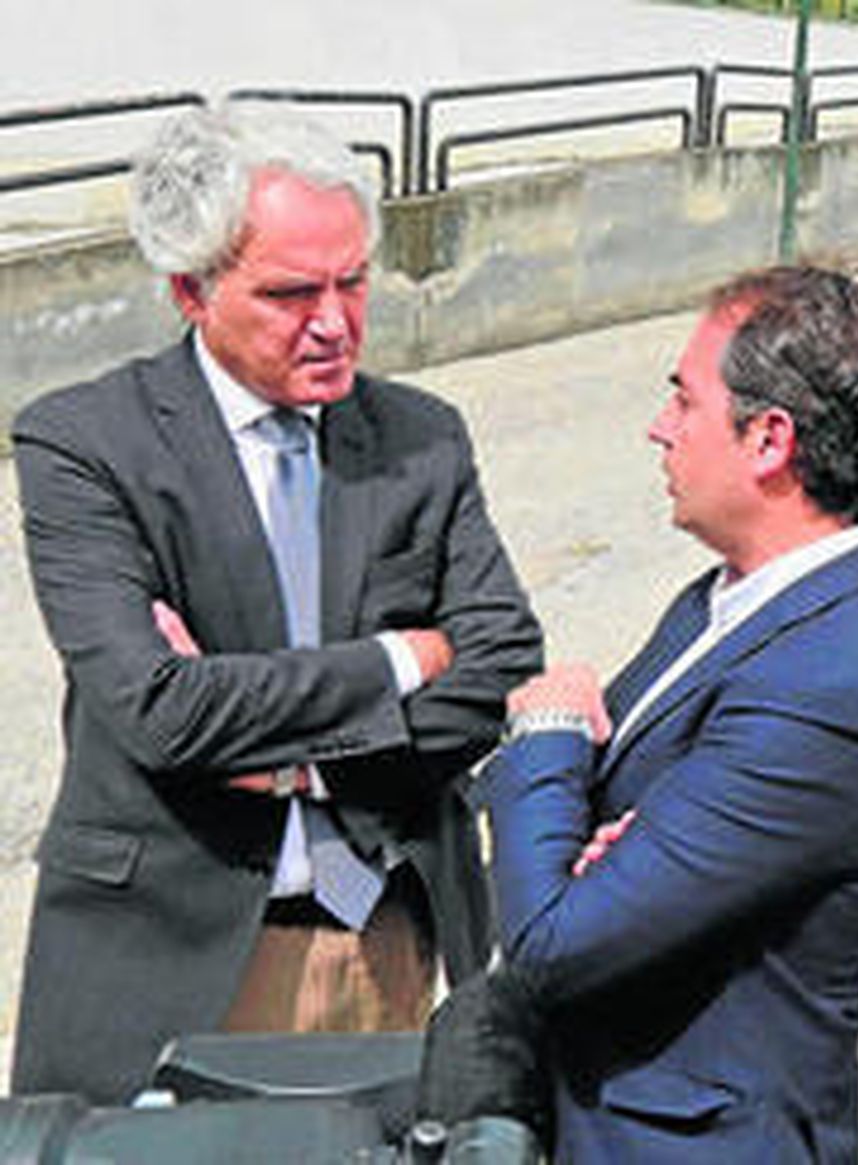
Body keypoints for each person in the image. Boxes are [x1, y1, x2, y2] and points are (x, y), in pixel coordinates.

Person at [10, 103, 542, 1104]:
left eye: (353, 280)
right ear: (189, 290)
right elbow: (157, 710)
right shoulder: (84, 445)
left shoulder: (422, 435)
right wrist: (404, 656)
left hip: (388, 931)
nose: (336, 320)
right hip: (174, 944)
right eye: (293, 292)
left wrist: (293, 756)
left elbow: (501, 662)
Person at [423, 266, 858, 1160]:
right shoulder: (733, 591)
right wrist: (604, 847)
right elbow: (596, 833)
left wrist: (544, 733)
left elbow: (551, 939)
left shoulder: (838, 690)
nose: (658, 428)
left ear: (769, 440)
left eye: (685, 401)